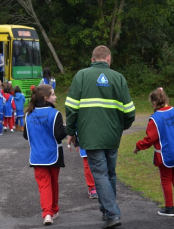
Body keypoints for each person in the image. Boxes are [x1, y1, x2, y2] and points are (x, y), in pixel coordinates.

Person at [65, 45, 135, 229]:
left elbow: (71, 108)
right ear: (109, 59)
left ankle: (112, 214)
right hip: (112, 135)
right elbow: (130, 112)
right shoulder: (118, 78)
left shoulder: (81, 76)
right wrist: (121, 127)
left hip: (91, 136)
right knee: (110, 173)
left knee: (100, 174)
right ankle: (107, 212)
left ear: (92, 59)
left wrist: (71, 131)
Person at [134, 87, 174, 217]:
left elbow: (150, 139)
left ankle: (169, 207)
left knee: (166, 179)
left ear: (154, 103)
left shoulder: (155, 118)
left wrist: (138, 146)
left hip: (165, 155)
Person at [23, 84, 67, 226]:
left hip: (37, 156)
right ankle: (52, 210)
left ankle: (48, 212)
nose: (55, 97)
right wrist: (68, 129)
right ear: (46, 97)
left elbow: (26, 135)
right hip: (54, 153)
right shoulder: (55, 114)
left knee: (44, 185)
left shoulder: (28, 114)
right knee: (53, 183)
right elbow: (59, 135)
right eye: (53, 94)